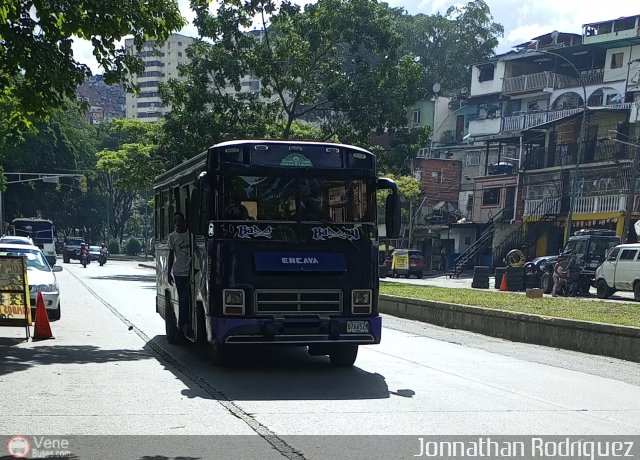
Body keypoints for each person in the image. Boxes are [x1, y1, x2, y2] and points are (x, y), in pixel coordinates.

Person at [168, 211, 192, 338]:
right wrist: (168, 272)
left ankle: (183, 325)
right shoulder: (172, 237)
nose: (177, 223)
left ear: (184, 221)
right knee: (183, 300)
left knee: (186, 299)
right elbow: (171, 255)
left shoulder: (190, 235)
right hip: (178, 273)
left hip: (190, 273)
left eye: (179, 220)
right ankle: (182, 326)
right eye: (175, 221)